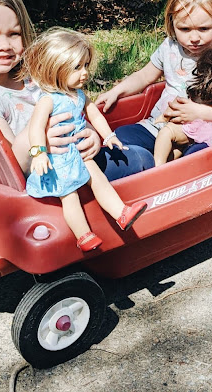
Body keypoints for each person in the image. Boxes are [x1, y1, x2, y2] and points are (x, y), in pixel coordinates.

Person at [0, 0, 154, 178]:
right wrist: (39, 140)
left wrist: (91, 136)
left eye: (14, 33)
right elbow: (11, 168)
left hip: (75, 158)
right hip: (55, 179)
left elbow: (75, 111)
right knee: (141, 158)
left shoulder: (32, 77)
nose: (5, 45)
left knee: (137, 149)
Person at [21, 28, 147, 251]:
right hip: (58, 159)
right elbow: (36, 128)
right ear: (55, 68)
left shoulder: (78, 95)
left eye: (86, 65)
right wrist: (39, 153)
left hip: (79, 153)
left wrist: (108, 135)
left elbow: (94, 114)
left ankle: (121, 213)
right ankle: (83, 235)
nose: (85, 73)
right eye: (77, 67)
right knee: (69, 196)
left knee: (98, 179)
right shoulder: (48, 100)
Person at [96, 0, 212, 156]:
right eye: (185, 29)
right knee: (122, 135)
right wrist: (117, 91)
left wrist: (199, 112)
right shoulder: (170, 47)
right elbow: (144, 76)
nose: (194, 38)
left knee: (196, 155)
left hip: (200, 133)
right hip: (159, 125)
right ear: (173, 23)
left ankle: (166, 162)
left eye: (203, 29)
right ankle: (149, 160)